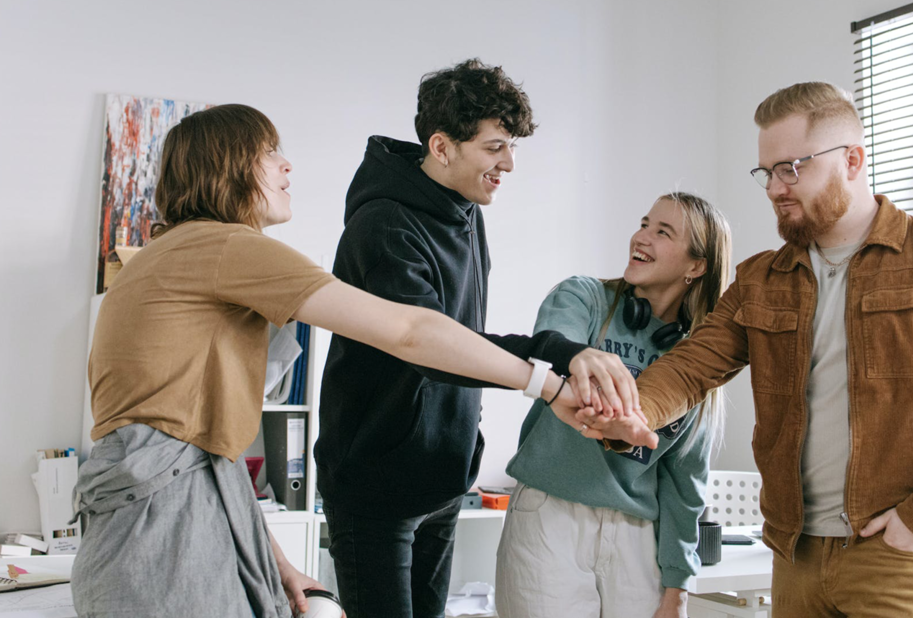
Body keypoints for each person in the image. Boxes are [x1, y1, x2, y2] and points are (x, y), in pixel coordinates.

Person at [73, 103, 599, 618]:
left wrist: (279, 566)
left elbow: (207, 457)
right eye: (269, 152)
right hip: (157, 522)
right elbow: (410, 330)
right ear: (229, 166)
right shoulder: (225, 245)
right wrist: (546, 383)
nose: (287, 165)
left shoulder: (171, 253)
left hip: (147, 513)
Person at [580, 82, 913, 618]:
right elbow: (690, 367)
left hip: (900, 554)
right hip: (794, 554)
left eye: (792, 168)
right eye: (767, 173)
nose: (776, 187)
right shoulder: (761, 279)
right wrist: (629, 410)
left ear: (852, 160)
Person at [315, 59, 641, 618]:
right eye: (495, 148)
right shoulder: (385, 226)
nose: (508, 163)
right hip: (376, 488)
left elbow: (466, 339)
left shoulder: (465, 209)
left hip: (442, 479)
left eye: (510, 146)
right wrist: (548, 374)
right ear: (442, 147)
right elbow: (432, 348)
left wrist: (562, 352)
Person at [494, 192, 733, 618]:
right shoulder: (584, 297)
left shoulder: (696, 359)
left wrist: (678, 587)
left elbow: (684, 482)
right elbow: (553, 349)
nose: (641, 237)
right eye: (644, 223)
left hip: (637, 534)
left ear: (696, 266)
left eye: (663, 232)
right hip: (552, 514)